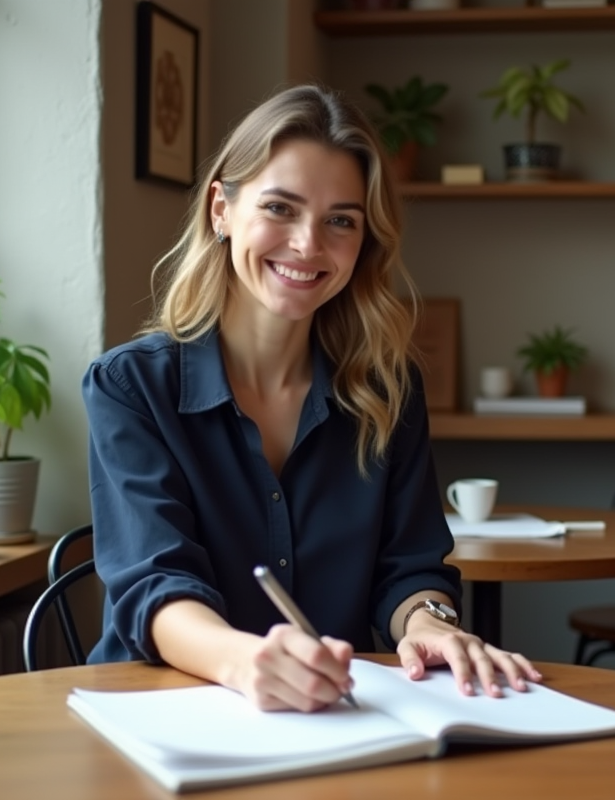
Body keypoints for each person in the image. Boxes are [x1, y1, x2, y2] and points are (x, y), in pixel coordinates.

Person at [82, 83, 540, 712]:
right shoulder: (131, 388)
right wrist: (247, 664)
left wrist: (432, 623)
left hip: (329, 722)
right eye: (279, 208)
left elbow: (409, 569)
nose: (307, 244)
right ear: (221, 210)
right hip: (160, 714)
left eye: (341, 221)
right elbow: (154, 584)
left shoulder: (389, 390)